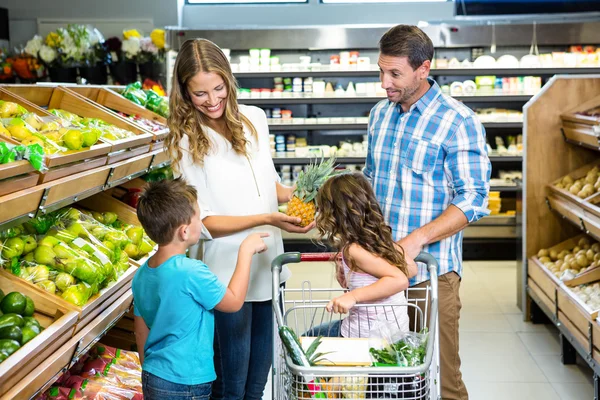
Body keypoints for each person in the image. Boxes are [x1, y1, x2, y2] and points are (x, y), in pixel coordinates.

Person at [165, 38, 312, 400]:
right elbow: (204, 223)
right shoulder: (185, 139)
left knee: (257, 380)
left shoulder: (255, 119)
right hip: (224, 274)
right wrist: (266, 218)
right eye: (200, 93)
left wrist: (307, 195)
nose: (212, 101)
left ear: (229, 81)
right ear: (184, 92)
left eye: (218, 88)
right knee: (230, 385)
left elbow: (271, 184)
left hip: (269, 264)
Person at [364, 25, 491, 400]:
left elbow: (473, 200)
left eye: (395, 74)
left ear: (424, 69)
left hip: (430, 276)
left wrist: (417, 239)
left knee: (441, 379)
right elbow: (370, 186)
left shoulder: (458, 121)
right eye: (381, 72)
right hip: (379, 272)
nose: (384, 83)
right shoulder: (379, 116)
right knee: (383, 375)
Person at [132, 178, 269, 400]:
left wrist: (153, 370)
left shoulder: (142, 274)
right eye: (198, 217)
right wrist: (246, 251)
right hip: (188, 382)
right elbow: (233, 302)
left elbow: (140, 330)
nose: (201, 222)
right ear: (184, 231)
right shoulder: (191, 271)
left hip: (154, 376)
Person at [306, 173, 417, 338]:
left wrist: (353, 296)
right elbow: (411, 269)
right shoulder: (381, 239)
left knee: (305, 340)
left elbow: (400, 280)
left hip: (365, 337)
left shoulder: (354, 250)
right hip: (394, 333)